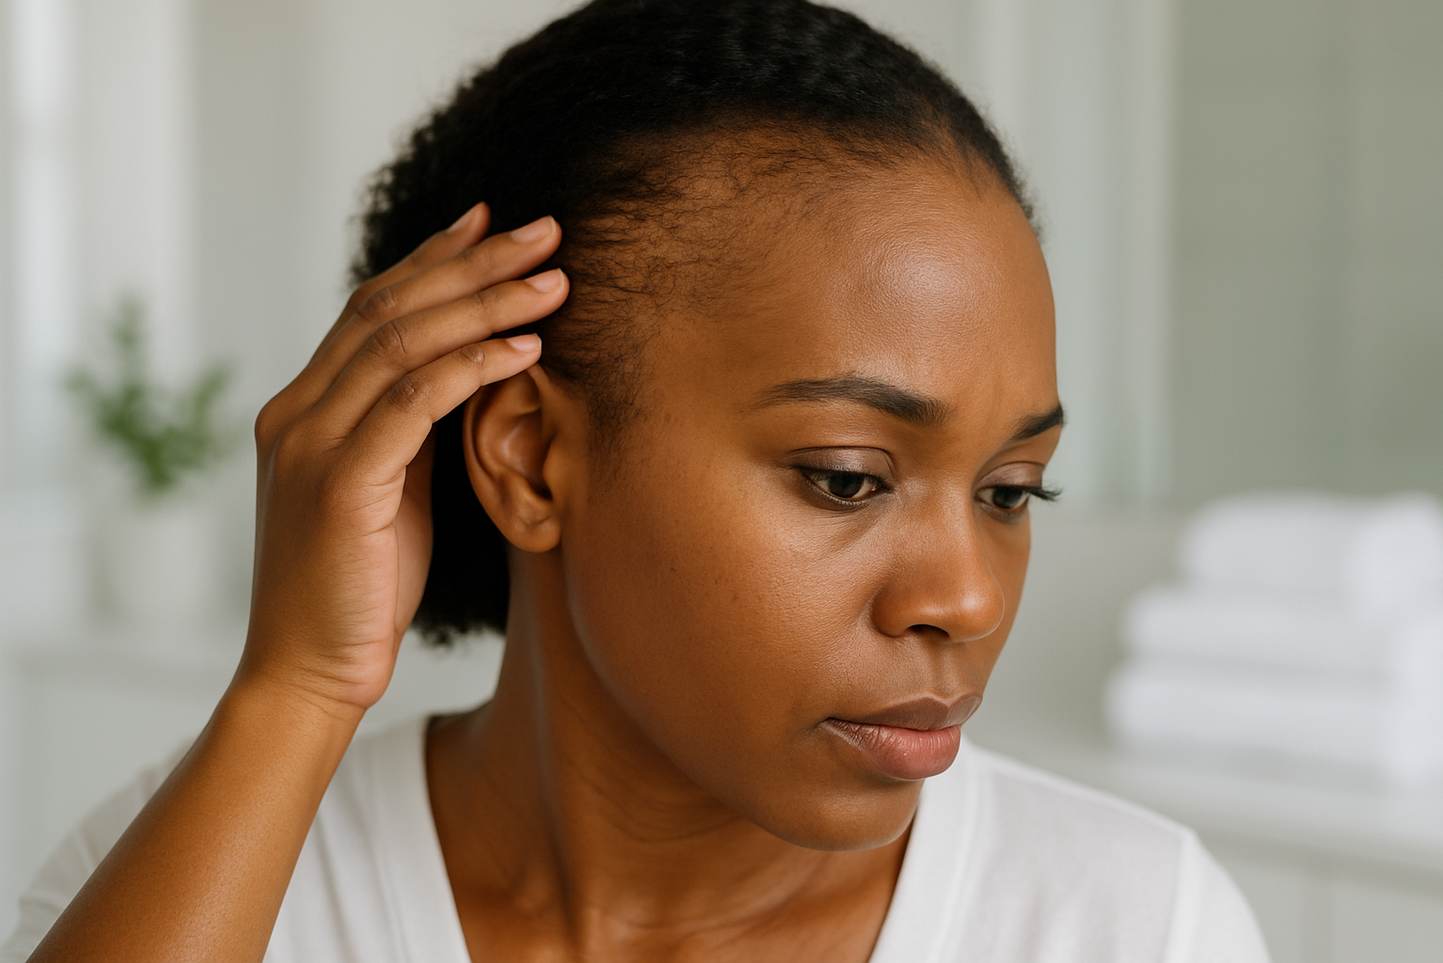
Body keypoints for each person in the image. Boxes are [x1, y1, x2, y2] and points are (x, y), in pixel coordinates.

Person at [5, 1, 1271, 960]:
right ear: (529, 456)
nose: (967, 598)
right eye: (846, 478)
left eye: (1008, 490)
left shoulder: (1131, 926)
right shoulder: (205, 888)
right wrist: (293, 692)